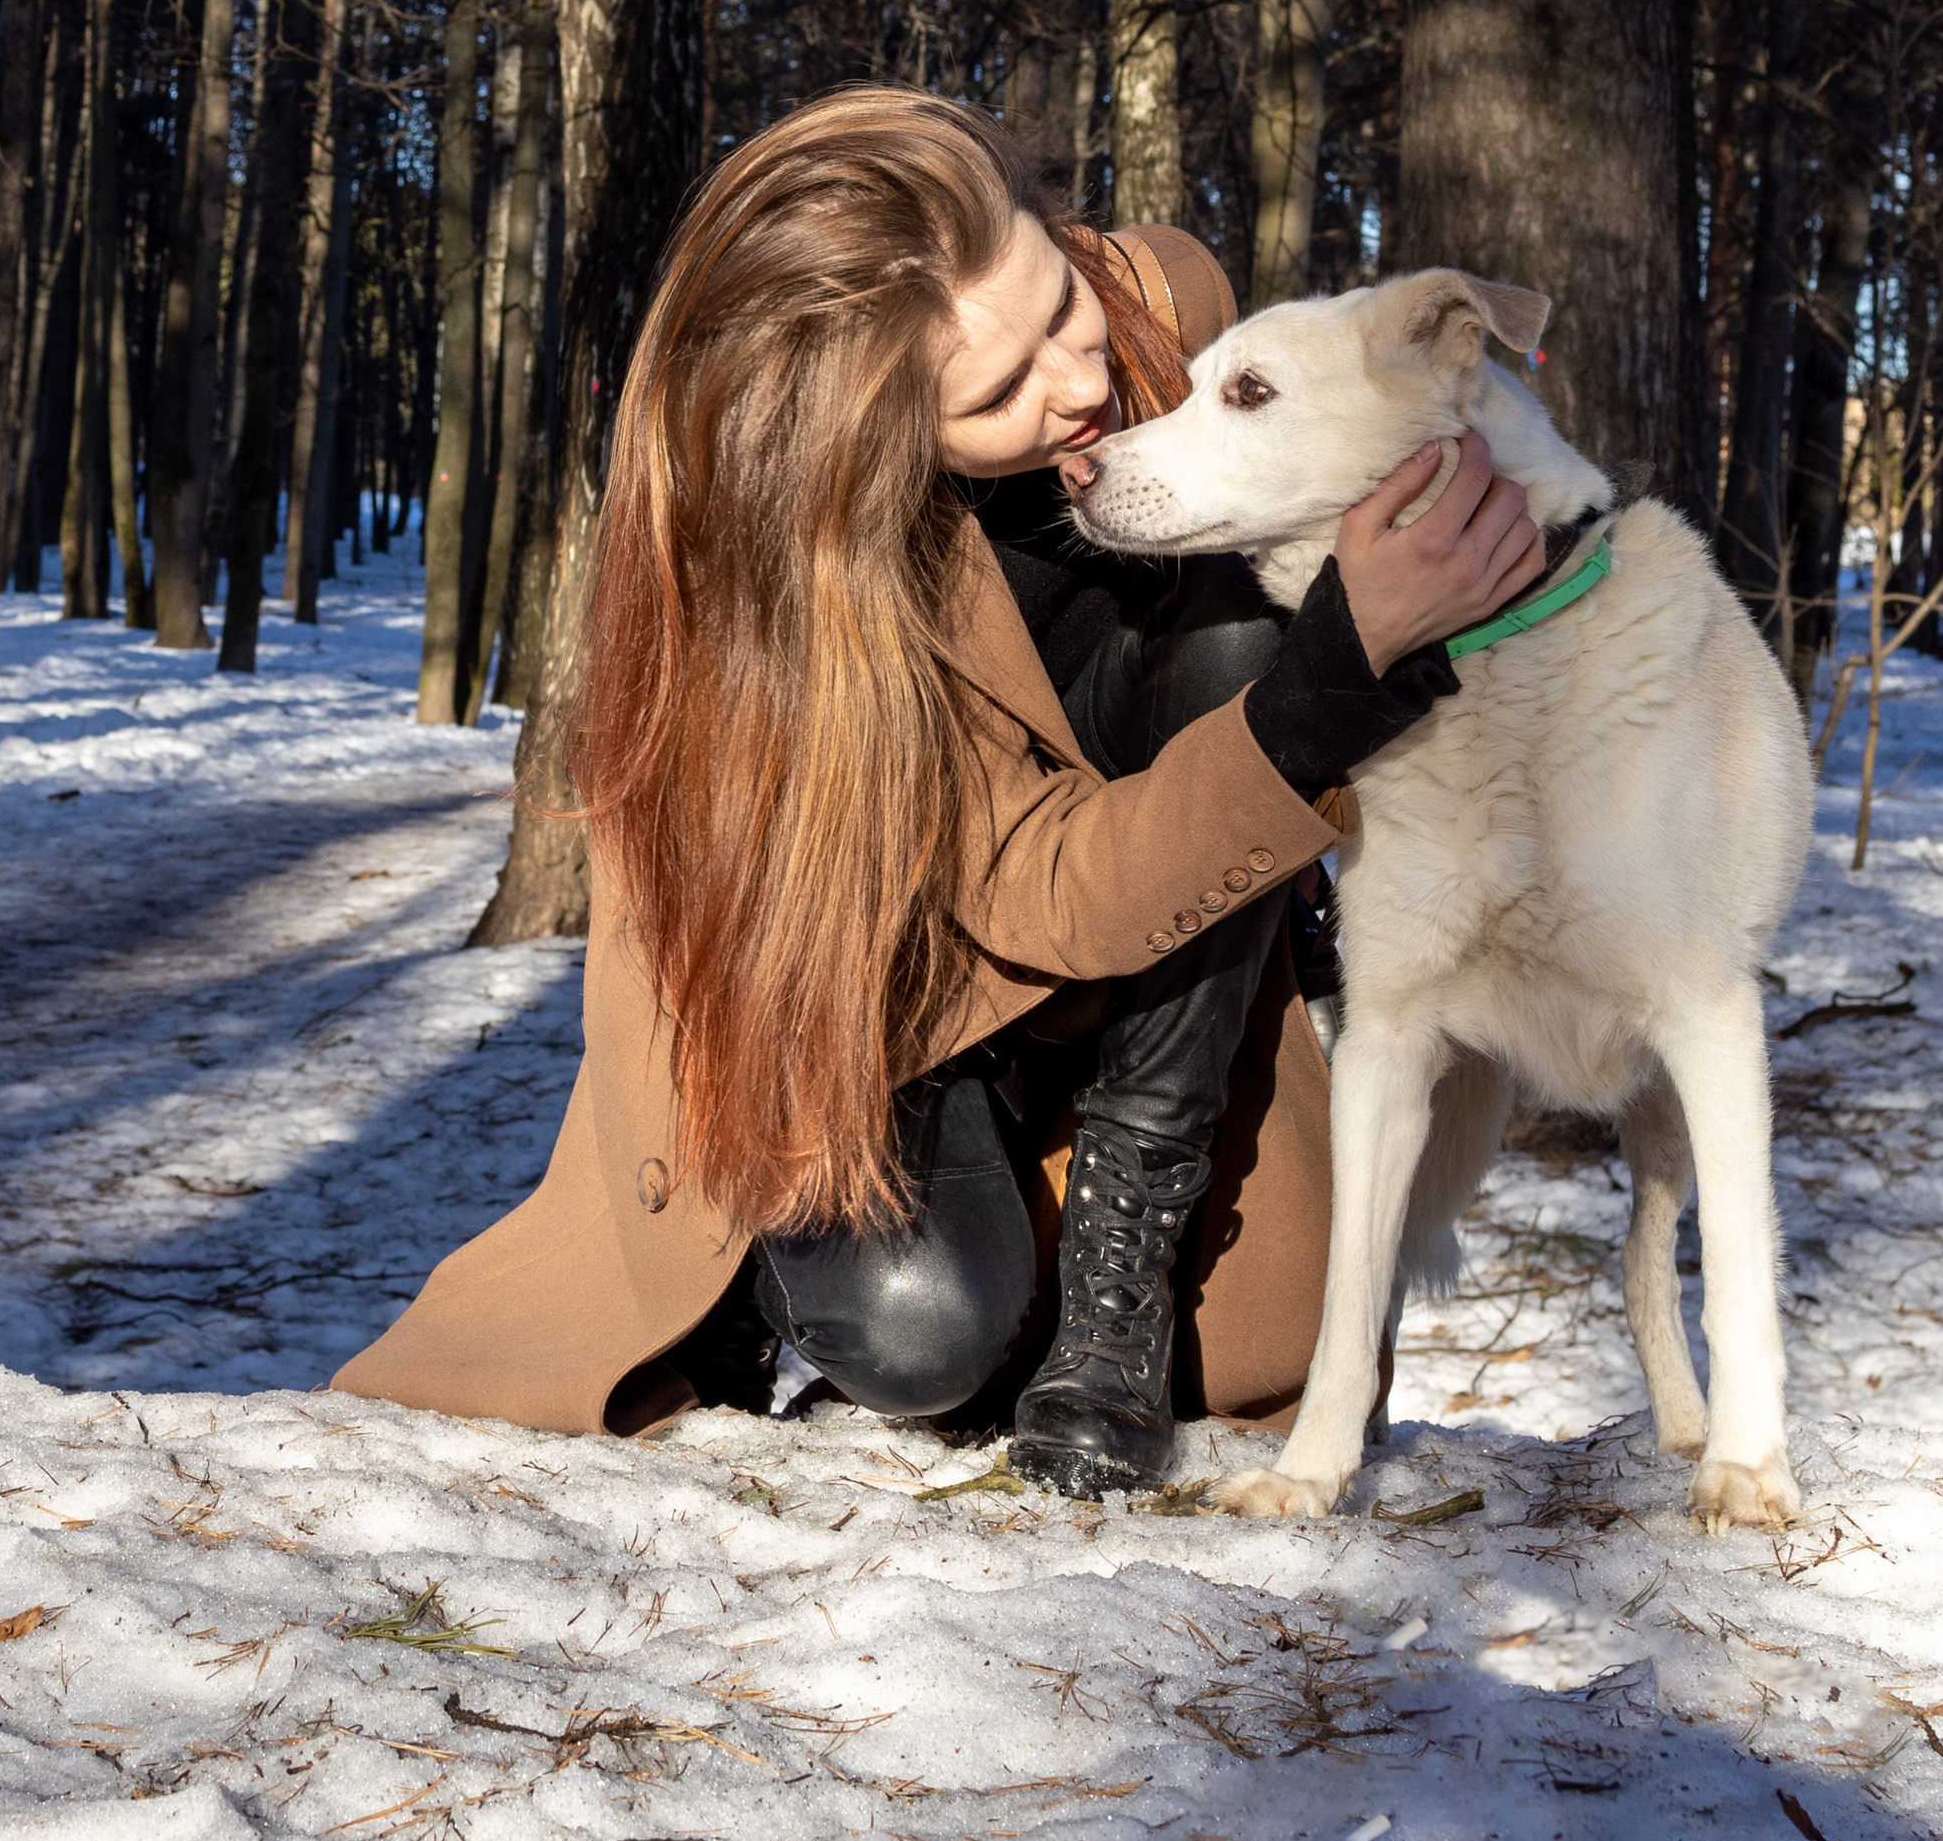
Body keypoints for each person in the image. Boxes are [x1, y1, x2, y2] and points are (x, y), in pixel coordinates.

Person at [333, 89, 1540, 1492]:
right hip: (879, 983)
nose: (1079, 383)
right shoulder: (803, 577)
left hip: (1152, 975)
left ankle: (1120, 1266)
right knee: (925, 1337)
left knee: (1240, 598)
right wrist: (1337, 679)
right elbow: (1039, 877)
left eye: (1055, 307)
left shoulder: (1161, 308)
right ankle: (762, 1271)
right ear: (876, 445)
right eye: (999, 393)